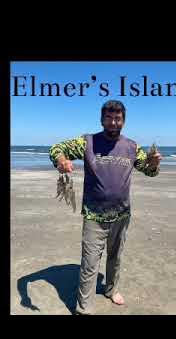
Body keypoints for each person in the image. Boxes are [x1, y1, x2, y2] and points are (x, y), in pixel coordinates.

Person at [49, 100, 162, 315]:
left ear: (123, 121)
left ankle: (111, 289)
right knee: (90, 262)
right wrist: (61, 160)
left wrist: (154, 164)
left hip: (121, 214)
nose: (113, 122)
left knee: (115, 256)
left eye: (117, 118)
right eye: (109, 118)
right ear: (102, 119)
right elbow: (57, 148)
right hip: (94, 215)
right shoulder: (87, 142)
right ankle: (84, 309)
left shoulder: (132, 147)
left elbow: (148, 170)